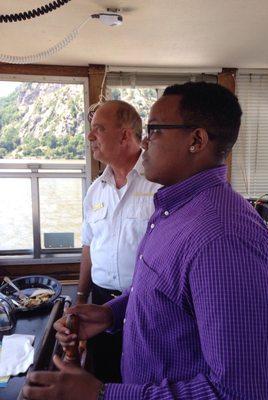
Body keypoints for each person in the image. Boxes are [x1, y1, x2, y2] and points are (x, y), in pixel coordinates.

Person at [23, 82, 268, 400]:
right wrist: (112, 313)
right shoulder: (173, 209)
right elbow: (168, 294)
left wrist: (102, 394)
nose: (145, 140)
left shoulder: (224, 240)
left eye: (155, 130)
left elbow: (249, 392)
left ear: (196, 140)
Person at [76, 99, 160, 382]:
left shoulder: (159, 183)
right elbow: (89, 246)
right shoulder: (95, 190)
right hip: (100, 301)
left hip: (147, 305)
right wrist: (80, 296)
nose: (90, 136)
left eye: (98, 129)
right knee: (105, 378)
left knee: (145, 380)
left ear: (124, 135)